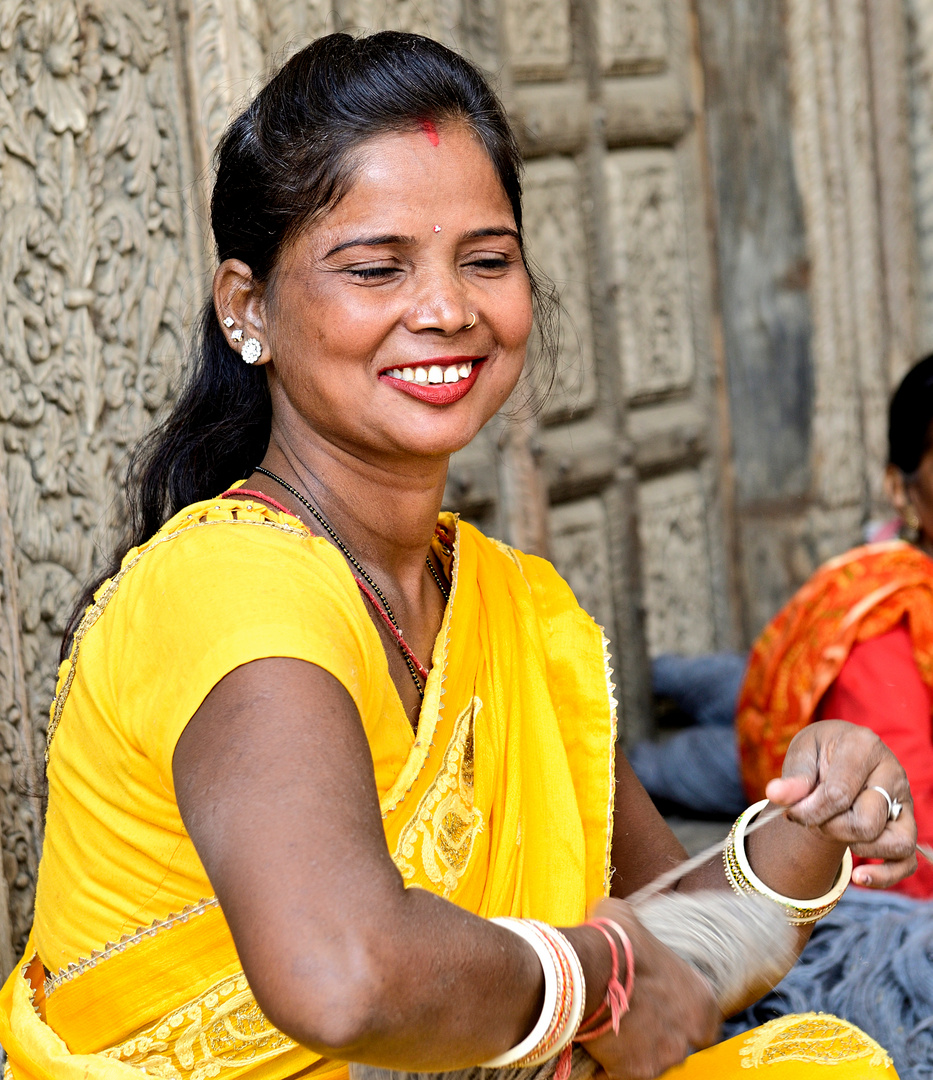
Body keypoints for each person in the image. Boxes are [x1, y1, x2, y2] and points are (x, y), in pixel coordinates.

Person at [0, 31, 916, 1080]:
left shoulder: (509, 603)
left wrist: (818, 817)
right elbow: (342, 974)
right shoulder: (228, 584)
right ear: (246, 308)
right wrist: (600, 983)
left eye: (486, 259)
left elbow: (673, 959)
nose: (446, 310)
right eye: (376, 267)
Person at [632, 355, 933, 900]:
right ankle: (632, 692)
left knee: (724, 680)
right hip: (785, 746)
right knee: (650, 764)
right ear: (902, 490)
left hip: (794, 684)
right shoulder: (891, 633)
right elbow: (901, 843)